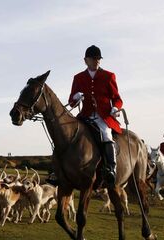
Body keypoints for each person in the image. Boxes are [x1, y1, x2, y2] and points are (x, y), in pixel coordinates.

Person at [69, 45, 123, 186]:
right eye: (93, 59)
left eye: (98, 59)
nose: (96, 61)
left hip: (103, 116)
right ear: (86, 60)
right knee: (69, 133)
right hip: (85, 115)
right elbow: (71, 103)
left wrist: (115, 108)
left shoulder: (108, 76)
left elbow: (117, 98)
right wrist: (76, 97)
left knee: (106, 134)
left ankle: (111, 168)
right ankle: (58, 170)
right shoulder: (78, 77)